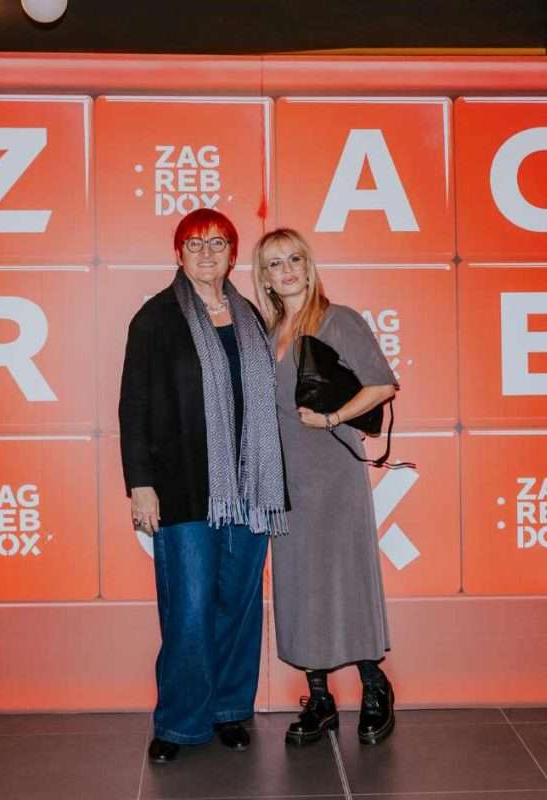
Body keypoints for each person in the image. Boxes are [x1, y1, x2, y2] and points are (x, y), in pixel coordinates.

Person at [119, 208, 288, 764]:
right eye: (195, 244)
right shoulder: (155, 318)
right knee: (189, 608)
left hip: (250, 487)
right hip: (183, 487)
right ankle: (179, 722)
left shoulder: (250, 317)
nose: (207, 253)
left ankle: (230, 710)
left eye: (218, 243)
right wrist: (141, 485)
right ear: (178, 254)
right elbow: (133, 407)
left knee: (238, 603)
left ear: (233, 255)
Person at [252, 227, 398, 746]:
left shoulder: (339, 320)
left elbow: (382, 384)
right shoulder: (268, 332)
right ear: (265, 278)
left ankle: (375, 687)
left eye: (294, 259)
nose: (287, 270)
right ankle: (319, 699)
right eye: (275, 264)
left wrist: (333, 416)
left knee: (345, 578)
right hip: (285, 478)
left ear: (308, 266)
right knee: (299, 584)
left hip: (333, 473)